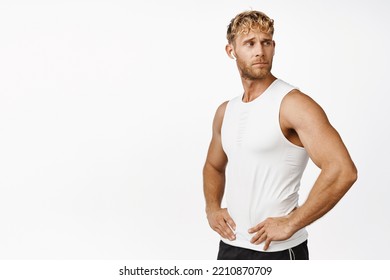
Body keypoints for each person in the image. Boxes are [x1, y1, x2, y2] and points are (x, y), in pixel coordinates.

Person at [202, 10, 358, 260]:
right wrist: (212, 208)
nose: (259, 52)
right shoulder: (226, 111)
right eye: (249, 43)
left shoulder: (293, 104)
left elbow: (343, 170)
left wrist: (291, 223)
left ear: (274, 47)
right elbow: (213, 166)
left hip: (278, 251)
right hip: (231, 246)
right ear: (231, 51)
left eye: (266, 42)